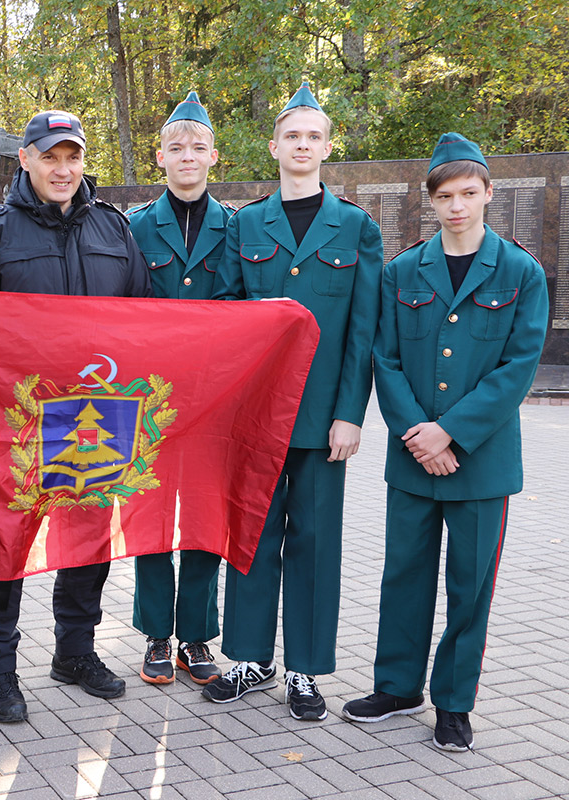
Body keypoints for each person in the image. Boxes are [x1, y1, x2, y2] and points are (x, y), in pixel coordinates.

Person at [342, 134, 548, 751]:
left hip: (480, 463)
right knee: (403, 574)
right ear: (430, 201)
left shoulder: (520, 271)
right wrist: (420, 437)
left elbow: (518, 366)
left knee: (470, 583)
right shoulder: (404, 270)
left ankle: (454, 703)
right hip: (412, 457)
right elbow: (386, 357)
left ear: (488, 192)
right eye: (445, 196)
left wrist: (449, 432)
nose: (456, 206)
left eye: (467, 193)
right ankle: (397, 686)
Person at [0, 110, 151, 722]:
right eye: (50, 156)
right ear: (26, 160)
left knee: (89, 538)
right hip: (20, 419)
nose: (63, 169)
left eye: (73, 157)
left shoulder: (115, 230)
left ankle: (75, 651)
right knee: (5, 543)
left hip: (98, 414)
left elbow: (146, 316)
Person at [206, 82, 382, 721]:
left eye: (314, 136)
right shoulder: (246, 223)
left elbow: (364, 330)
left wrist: (350, 413)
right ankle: (249, 657)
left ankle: (305, 669)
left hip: (321, 420)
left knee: (315, 542)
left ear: (327, 148)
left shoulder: (357, 227)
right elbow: (227, 316)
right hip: (256, 414)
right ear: (274, 146)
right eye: (292, 136)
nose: (302, 145)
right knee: (250, 533)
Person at [125, 91, 231, 687]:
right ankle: (156, 637)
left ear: (213, 156)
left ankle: (195, 636)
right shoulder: (135, 229)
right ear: (159, 157)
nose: (186, 156)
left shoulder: (236, 229)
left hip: (214, 402)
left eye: (196, 147)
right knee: (151, 520)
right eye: (175, 148)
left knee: (203, 521)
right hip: (152, 405)